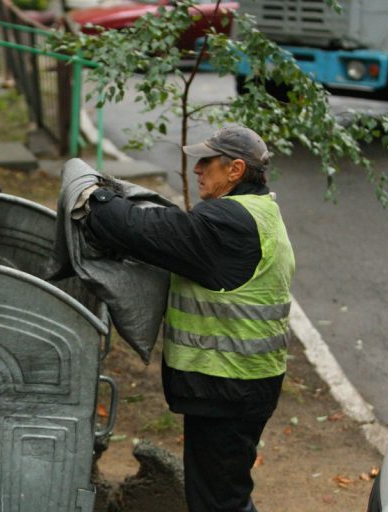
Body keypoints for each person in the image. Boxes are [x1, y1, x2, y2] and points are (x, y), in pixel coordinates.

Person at [80, 124, 295, 512]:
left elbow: (145, 231)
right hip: (237, 383)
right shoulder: (259, 213)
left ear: (235, 170)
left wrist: (95, 199)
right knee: (219, 495)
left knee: (220, 502)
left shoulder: (230, 224)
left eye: (206, 162)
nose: (196, 169)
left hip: (230, 385)